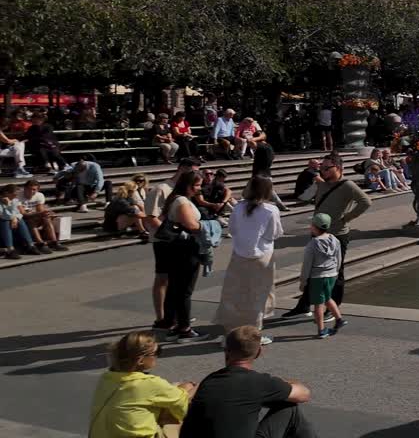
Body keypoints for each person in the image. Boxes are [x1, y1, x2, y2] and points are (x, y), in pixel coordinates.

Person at [180, 326, 316, 438]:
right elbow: (304, 394)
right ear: (259, 352)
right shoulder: (260, 382)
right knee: (289, 409)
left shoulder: (209, 380)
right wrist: (280, 384)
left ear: (226, 351)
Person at [281, 156, 372, 317]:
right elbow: (303, 198)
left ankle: (333, 306)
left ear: (338, 167)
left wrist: (346, 218)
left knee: (337, 271)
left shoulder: (348, 185)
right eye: (321, 167)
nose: (322, 171)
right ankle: (303, 305)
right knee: (312, 269)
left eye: (326, 168)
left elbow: (366, 201)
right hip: (318, 232)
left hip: (337, 234)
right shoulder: (322, 184)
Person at [215, 177, 285, 344]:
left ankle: (230, 333)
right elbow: (274, 233)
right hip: (263, 256)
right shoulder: (270, 209)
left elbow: (231, 229)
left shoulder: (238, 207)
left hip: (239, 254)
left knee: (234, 294)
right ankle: (254, 335)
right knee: (259, 295)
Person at [88, 331, 195, 438]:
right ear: (140, 360)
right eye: (156, 352)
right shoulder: (149, 383)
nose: (157, 356)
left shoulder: (106, 378)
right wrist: (191, 386)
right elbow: (183, 408)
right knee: (190, 394)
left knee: (165, 400)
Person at [154, 171, 206, 342]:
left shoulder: (174, 198)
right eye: (197, 185)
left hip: (174, 248)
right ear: (188, 185)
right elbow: (191, 225)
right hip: (186, 249)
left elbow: (162, 219)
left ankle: (173, 322)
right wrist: (207, 226)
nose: (200, 188)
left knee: (175, 287)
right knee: (185, 290)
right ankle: (185, 328)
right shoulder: (182, 201)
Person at [147, 160, 197, 329]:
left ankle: (175, 315)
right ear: (182, 170)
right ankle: (161, 318)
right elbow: (151, 217)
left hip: (178, 242)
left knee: (176, 281)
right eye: (193, 172)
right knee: (163, 278)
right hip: (164, 241)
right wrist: (171, 236)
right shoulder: (162, 189)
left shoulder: (183, 190)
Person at [300, 213, 347, 339]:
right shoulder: (335, 239)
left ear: (314, 227)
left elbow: (307, 265)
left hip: (318, 276)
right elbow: (339, 258)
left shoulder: (313, 244)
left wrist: (303, 281)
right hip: (332, 274)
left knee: (318, 304)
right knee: (327, 298)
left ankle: (321, 330)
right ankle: (339, 319)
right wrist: (336, 272)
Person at [19, 179, 66, 251]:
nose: (31, 191)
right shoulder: (19, 196)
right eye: (29, 189)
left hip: (34, 216)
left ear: (37, 190)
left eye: (34, 190)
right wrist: (40, 213)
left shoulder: (39, 195)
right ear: (25, 188)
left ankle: (54, 242)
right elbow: (24, 214)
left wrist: (47, 213)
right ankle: (40, 243)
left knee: (46, 218)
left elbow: (40, 210)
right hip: (23, 219)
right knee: (31, 221)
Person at [0, 184, 40, 258]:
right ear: (6, 193)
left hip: (10, 221)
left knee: (20, 220)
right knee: (5, 221)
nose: (16, 196)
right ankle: (10, 250)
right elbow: (2, 215)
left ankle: (30, 245)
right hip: (2, 222)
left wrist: (15, 218)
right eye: (15, 194)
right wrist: (9, 206)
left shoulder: (14, 200)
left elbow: (18, 213)